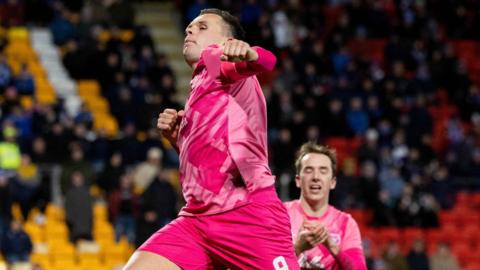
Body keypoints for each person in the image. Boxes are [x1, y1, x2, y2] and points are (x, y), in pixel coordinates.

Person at [124, 8, 299, 270]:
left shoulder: (221, 64)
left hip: (248, 216)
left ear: (226, 42)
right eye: (190, 27)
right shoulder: (201, 85)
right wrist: (178, 140)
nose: (190, 30)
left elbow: (267, 62)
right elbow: (211, 158)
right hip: (197, 220)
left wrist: (249, 52)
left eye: (202, 27)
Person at [284, 143, 367, 269]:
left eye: (323, 171)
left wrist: (331, 245)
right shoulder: (279, 215)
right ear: (298, 180)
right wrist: (297, 248)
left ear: (332, 182)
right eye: (309, 170)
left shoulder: (345, 223)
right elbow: (262, 264)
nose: (316, 177)